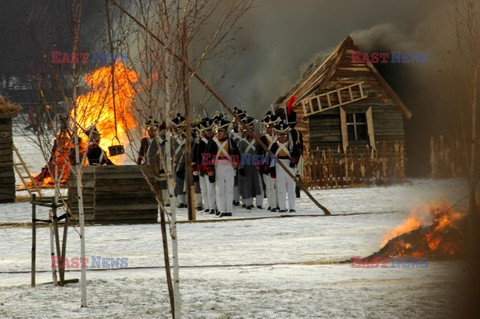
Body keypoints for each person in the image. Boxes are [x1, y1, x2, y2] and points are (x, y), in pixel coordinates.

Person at [205, 119, 240, 217]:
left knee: (229, 189)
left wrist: (236, 162)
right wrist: (209, 170)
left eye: (220, 132)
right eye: (217, 132)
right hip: (218, 166)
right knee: (219, 190)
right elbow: (207, 157)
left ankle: (228, 209)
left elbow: (237, 154)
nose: (218, 134)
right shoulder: (212, 142)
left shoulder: (231, 142)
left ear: (225, 132)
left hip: (229, 166)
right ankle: (221, 210)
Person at [269, 121, 300, 213]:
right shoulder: (274, 146)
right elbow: (271, 158)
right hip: (279, 166)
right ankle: (282, 207)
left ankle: (292, 207)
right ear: (278, 136)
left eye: (284, 136)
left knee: (291, 188)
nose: (282, 138)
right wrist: (272, 170)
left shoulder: (292, 145)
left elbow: (297, 154)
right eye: (280, 136)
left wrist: (293, 160)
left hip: (289, 165)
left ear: (287, 135)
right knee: (281, 188)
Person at [237, 116, 264, 210]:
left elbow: (261, 153)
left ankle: (259, 203)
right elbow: (240, 156)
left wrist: (260, 164)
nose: (249, 132)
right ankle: (248, 203)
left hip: (256, 165)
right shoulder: (241, 142)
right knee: (247, 185)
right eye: (247, 130)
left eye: (251, 129)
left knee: (258, 184)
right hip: (246, 165)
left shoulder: (257, 141)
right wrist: (241, 167)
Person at [258, 111, 280, 212]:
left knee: (279, 186)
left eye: (272, 127)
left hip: (279, 164)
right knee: (269, 186)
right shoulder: (263, 138)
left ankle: (279, 204)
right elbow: (259, 153)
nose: (271, 129)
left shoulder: (280, 138)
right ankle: (272, 205)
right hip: (266, 163)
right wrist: (259, 164)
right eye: (269, 127)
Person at [195, 118, 217, 214]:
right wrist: (200, 168)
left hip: (212, 167)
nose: (209, 134)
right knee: (205, 189)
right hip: (203, 168)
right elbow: (198, 156)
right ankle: (208, 206)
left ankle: (213, 207)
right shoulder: (201, 142)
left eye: (211, 132)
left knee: (211, 188)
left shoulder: (214, 141)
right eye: (207, 132)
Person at [171, 113, 187, 208]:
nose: (180, 129)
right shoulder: (171, 139)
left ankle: (188, 201)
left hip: (186, 163)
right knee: (177, 182)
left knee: (187, 182)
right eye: (178, 127)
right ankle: (180, 201)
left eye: (182, 127)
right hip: (175, 163)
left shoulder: (188, 138)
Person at [287, 109, 304, 198]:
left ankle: (294, 192)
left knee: (292, 176)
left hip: (290, 156)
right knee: (296, 175)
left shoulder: (288, 133)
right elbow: (301, 146)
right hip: (299, 155)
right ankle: (297, 193)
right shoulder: (298, 133)